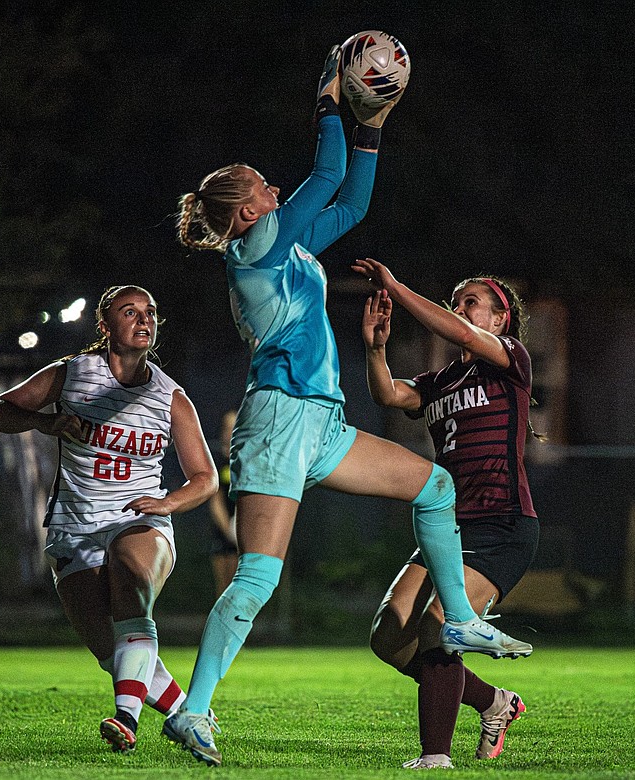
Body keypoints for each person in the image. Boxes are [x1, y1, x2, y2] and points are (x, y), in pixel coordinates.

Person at [162, 45, 530, 767]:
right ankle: (194, 711)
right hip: (276, 421)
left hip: (322, 422)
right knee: (258, 577)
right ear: (243, 212)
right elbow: (327, 175)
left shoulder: (287, 246)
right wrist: (330, 99)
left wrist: (375, 124)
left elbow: (354, 200)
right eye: (263, 186)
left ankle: (458, 619)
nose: (274, 188)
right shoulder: (259, 246)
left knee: (434, 485)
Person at [0, 285, 219, 754]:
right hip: (75, 527)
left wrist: (168, 504)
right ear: (104, 325)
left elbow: (205, 477)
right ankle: (189, 714)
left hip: (140, 521)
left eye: (150, 312)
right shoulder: (71, 374)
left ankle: (125, 720)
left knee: (131, 571)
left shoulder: (171, 396)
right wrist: (46, 422)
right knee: (115, 653)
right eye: (129, 312)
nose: (143, 319)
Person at [356, 259, 539, 769]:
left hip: (503, 524)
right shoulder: (442, 380)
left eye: (470, 302)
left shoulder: (511, 359)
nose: (459, 310)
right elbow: (389, 394)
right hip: (449, 527)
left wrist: (396, 284)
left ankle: (434, 757)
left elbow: (456, 331)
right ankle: (493, 702)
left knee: (441, 623)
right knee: (388, 635)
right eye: (456, 301)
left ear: (500, 320)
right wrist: (375, 349)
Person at [209, 410, 240, 596]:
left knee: (239, 588)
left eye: (234, 427)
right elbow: (216, 500)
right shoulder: (216, 461)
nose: (230, 432)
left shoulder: (246, 460)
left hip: (243, 531)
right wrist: (229, 531)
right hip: (223, 531)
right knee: (223, 589)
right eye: (227, 428)